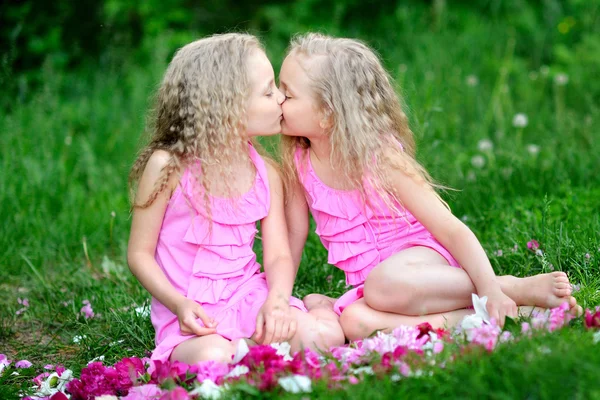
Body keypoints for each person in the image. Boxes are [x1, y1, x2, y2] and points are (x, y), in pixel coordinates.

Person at [278, 33, 578, 341]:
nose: (277, 99)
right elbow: (293, 237)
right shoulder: (300, 162)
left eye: (287, 94)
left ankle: (512, 287)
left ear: (327, 114)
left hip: (420, 261)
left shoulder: (380, 158)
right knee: (356, 324)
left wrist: (490, 288)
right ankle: (495, 317)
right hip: (375, 288)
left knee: (382, 286)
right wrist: (277, 300)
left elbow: (450, 229)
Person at [127, 33, 344, 364]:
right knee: (214, 357)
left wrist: (278, 301)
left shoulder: (265, 173)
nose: (279, 100)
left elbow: (278, 257)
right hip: (190, 317)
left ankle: (318, 308)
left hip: (248, 299)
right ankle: (245, 347)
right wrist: (178, 304)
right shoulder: (168, 167)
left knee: (322, 339)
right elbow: (139, 255)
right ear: (228, 105)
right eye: (268, 91)